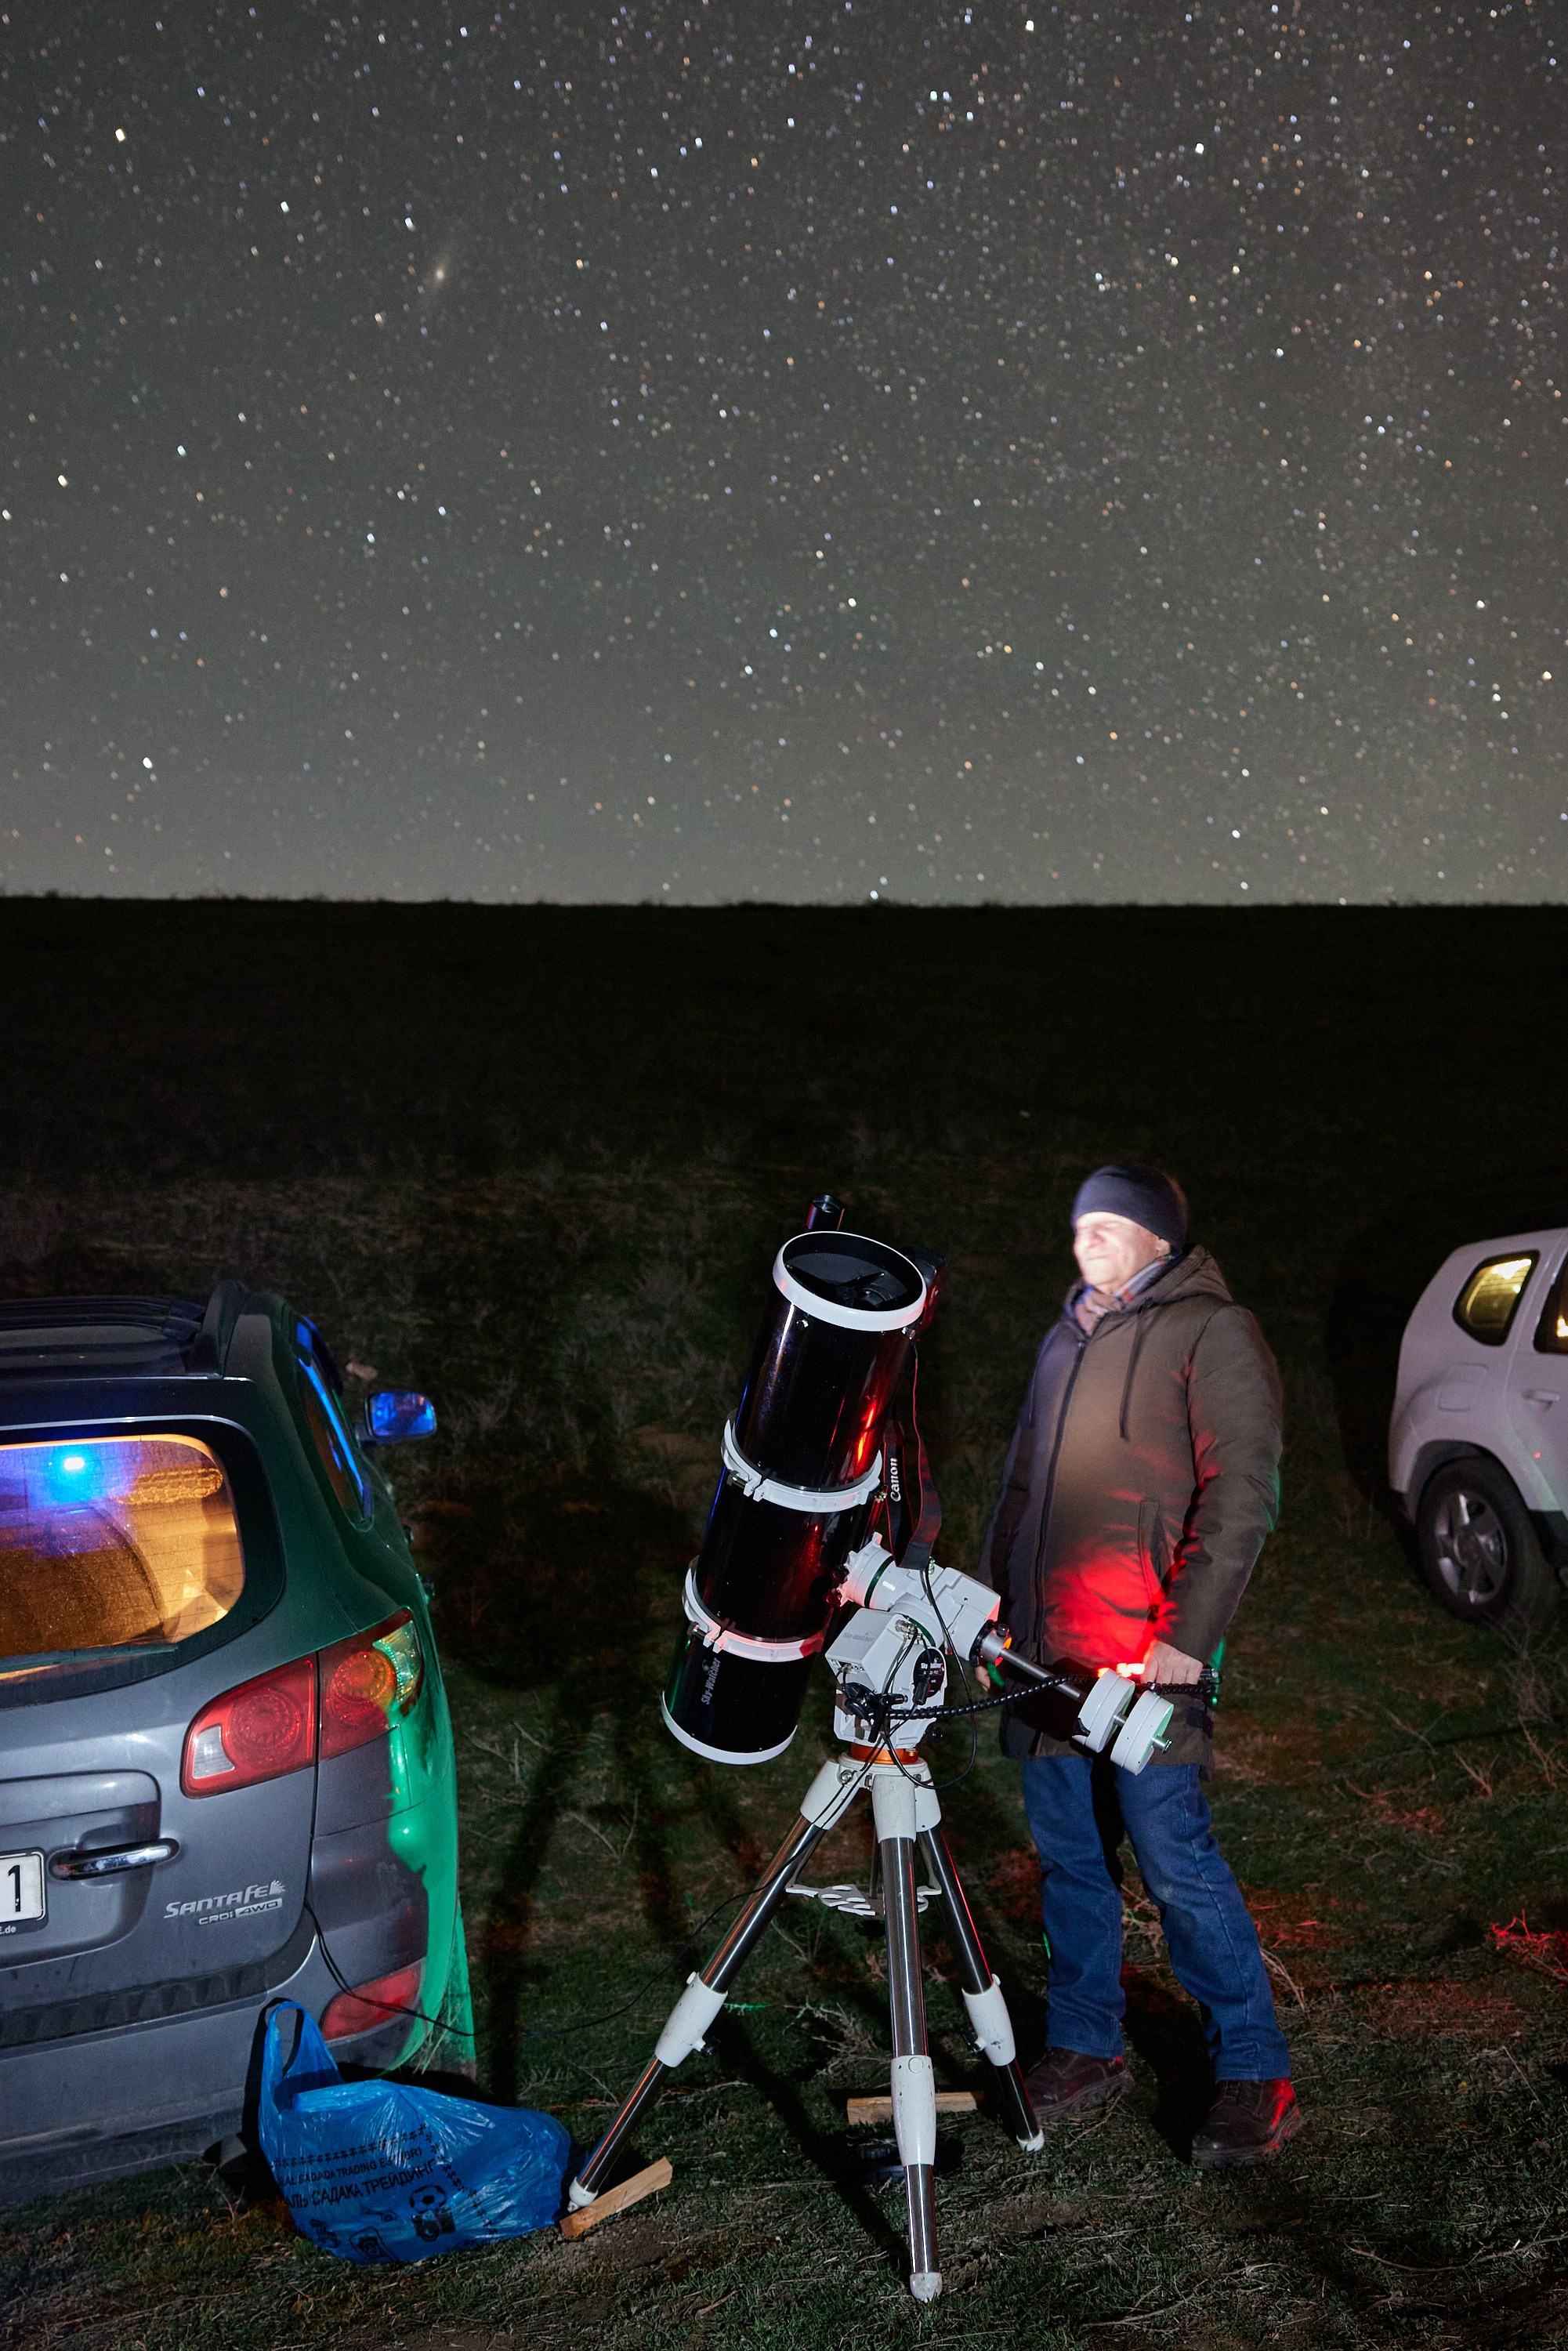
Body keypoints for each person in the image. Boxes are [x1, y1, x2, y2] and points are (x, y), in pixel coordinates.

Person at [980, 1162, 1299, 2167]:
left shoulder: (1213, 1332)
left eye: (1112, 1225)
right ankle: (1085, 2044)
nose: (1090, 1240)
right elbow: (1022, 1485)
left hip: (1147, 1662)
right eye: (1081, 1225)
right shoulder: (1063, 1339)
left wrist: (1185, 1639)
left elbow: (1242, 1491)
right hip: (1045, 1660)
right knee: (1072, 1864)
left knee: (1174, 1863)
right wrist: (995, 1609)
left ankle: (1254, 2068)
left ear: (1161, 1238)